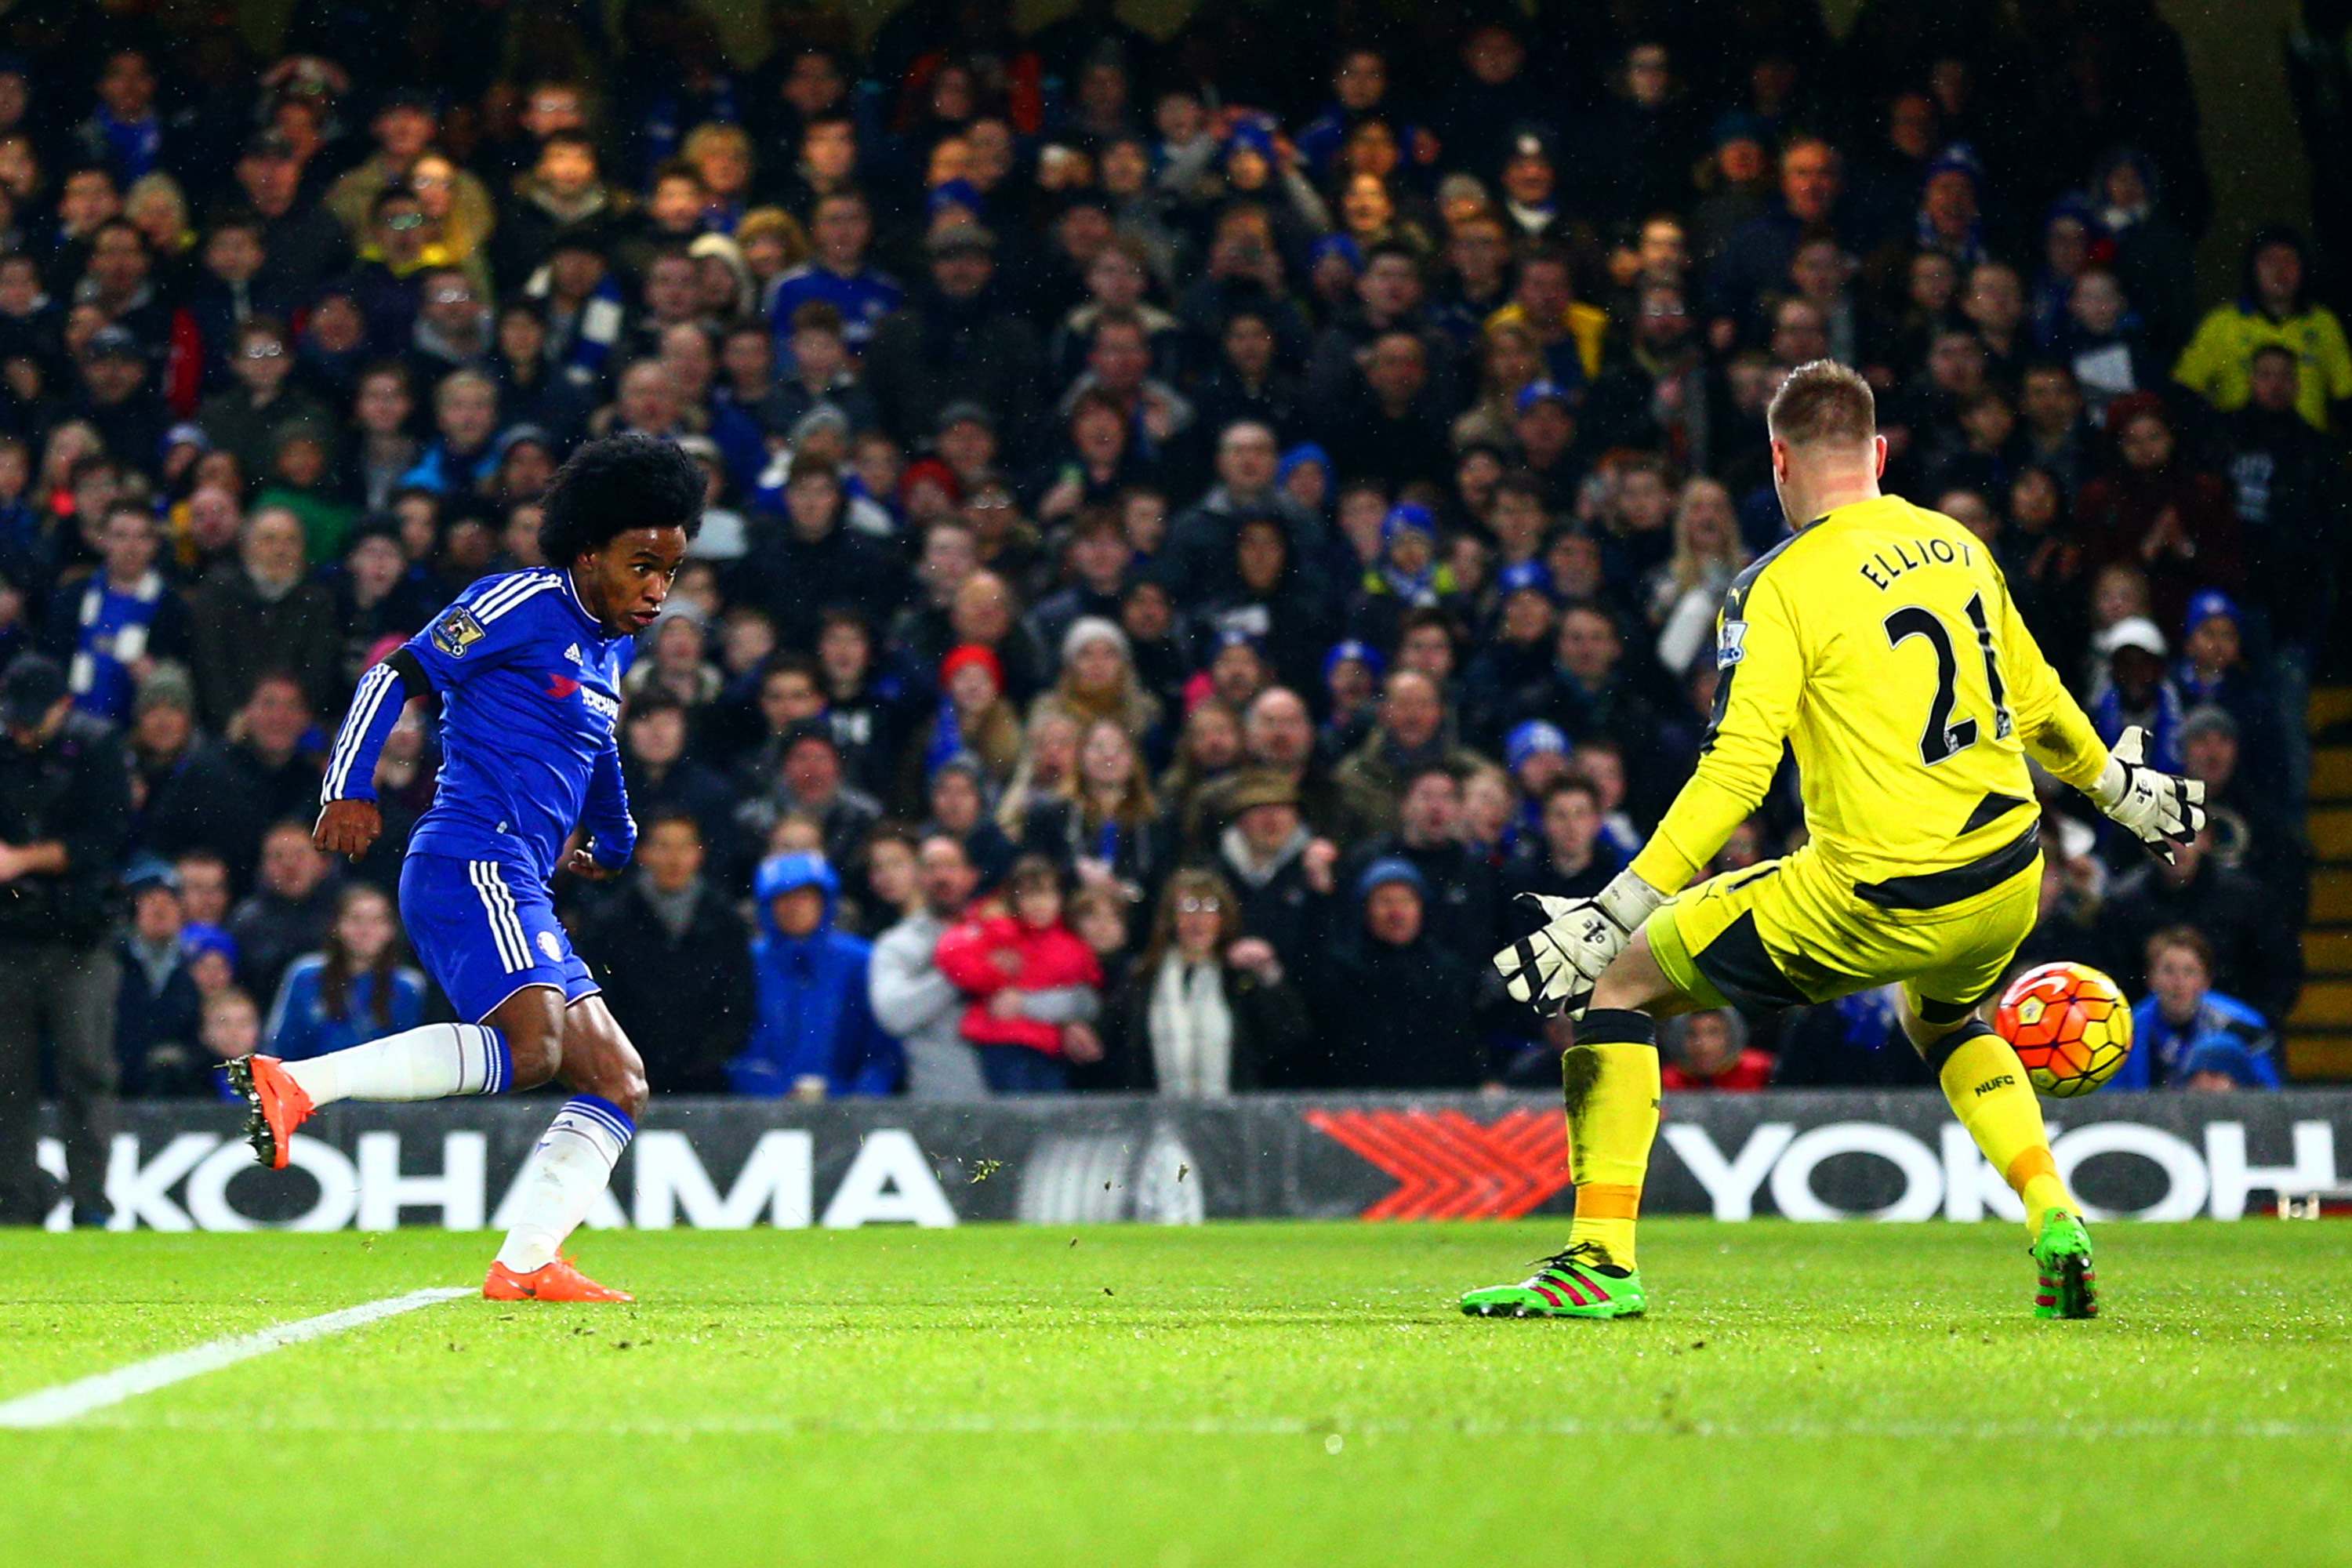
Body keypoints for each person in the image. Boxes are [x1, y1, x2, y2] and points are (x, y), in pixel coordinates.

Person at [1468, 361, 2205, 1323]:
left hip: (1878, 891)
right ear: (1879, 454)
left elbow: (1735, 773)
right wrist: (2119, 790)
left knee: (1623, 977)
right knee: (1941, 1020)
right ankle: (2054, 1211)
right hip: (2010, 877)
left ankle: (1599, 1259)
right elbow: (2039, 700)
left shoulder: (1775, 585)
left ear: (1779, 460)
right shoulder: (1954, 541)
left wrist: (1615, 908)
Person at [229, 433, 706, 1304]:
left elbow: (596, 748)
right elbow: (391, 674)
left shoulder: (611, 647)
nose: (657, 590)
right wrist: (349, 784)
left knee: (617, 1079)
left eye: (670, 572)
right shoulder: (519, 600)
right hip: (469, 856)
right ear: (589, 549)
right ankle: (296, 1083)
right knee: (533, 1050)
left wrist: (620, 832)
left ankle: (526, 1261)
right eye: (643, 566)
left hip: (524, 878)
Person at [0, 653, 132, 1225]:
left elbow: (108, 838)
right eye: (15, 718)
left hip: (80, 939)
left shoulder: (98, 750)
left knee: (86, 1071)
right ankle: (14, 1207)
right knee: (8, 1084)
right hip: (9, 940)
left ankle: (91, 1205)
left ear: (65, 707)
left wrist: (22, 860)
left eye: (34, 718)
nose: (22, 729)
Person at [1104, 868, 1312, 1094]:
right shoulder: (1143, 977)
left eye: (1209, 908)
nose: (1198, 920)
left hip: (1232, 1118)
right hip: (1158, 1118)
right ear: (1170, 918)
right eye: (1187, 908)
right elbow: (1111, 1043)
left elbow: (1291, 1033)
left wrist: (1269, 975)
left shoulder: (1239, 976)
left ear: (1224, 917)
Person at [727, 852, 901, 1098]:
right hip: (761, 1110)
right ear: (767, 906)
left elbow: (882, 1047)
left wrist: (859, 1098)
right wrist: (768, 1089)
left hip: (851, 1111)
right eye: (784, 897)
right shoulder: (745, 962)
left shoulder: (861, 960)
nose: (795, 906)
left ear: (825, 902)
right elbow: (732, 1046)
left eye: (805, 896)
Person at [934, 854, 1104, 1094]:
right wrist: (994, 973)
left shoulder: (1073, 945)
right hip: (1002, 1041)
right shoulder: (1000, 932)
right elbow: (952, 955)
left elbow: (1088, 995)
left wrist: (1039, 1009)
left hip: (1050, 1049)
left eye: (1046, 894)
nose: (1038, 904)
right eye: (1028, 895)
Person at [869, 833, 990, 1099]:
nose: (941, 877)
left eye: (950, 866)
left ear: (971, 875)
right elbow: (893, 1015)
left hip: (1016, 1094)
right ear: (917, 877)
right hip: (939, 1100)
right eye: (931, 868)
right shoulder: (896, 943)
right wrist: (959, 973)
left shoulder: (1001, 931)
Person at [263, 882, 427, 1061]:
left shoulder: (408, 986)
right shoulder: (305, 976)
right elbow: (279, 1047)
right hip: (310, 1084)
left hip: (379, 1086)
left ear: (391, 930)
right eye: (356, 920)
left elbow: (409, 1059)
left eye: (377, 921)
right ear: (336, 926)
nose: (365, 931)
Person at [2109, 925, 2279, 1091]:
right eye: (2168, 971)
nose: (2178, 982)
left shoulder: (2244, 1026)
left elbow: (2268, 1094)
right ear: (2151, 978)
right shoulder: (2127, 1030)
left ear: (2206, 981)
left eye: (2189, 972)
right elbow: (2110, 1097)